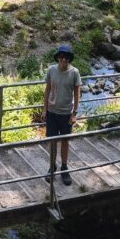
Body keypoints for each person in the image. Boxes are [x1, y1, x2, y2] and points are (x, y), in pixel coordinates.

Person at [43, 43, 82, 186]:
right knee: (53, 141)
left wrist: (75, 113)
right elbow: (47, 90)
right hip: (52, 112)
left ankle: (64, 168)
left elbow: (77, 94)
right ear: (58, 57)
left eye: (66, 57)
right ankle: (52, 167)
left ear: (70, 59)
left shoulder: (75, 72)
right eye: (61, 57)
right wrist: (44, 109)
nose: (64, 60)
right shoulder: (51, 70)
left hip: (66, 113)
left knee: (65, 141)